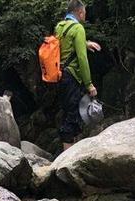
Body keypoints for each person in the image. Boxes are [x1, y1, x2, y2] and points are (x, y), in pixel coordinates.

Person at [55, 0, 102, 151]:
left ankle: (68, 152)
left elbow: (66, 47)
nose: (85, 15)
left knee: (68, 112)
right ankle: (68, 158)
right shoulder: (78, 28)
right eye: (84, 12)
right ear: (80, 12)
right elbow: (82, 59)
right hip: (72, 77)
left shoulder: (60, 27)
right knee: (73, 117)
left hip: (60, 76)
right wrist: (89, 84)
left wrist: (86, 43)